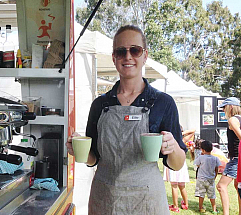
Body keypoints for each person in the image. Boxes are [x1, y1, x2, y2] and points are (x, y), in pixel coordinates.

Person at [66, 25, 187, 215]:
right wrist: (79, 150)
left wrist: (173, 147)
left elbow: (177, 164)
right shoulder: (100, 105)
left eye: (135, 50)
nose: (128, 57)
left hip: (147, 201)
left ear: (145, 55)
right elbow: (93, 159)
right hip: (105, 198)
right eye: (121, 51)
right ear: (114, 58)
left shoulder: (163, 103)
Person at [216, 97, 241, 215]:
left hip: (236, 159)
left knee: (221, 186)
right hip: (237, 158)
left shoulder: (232, 120)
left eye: (224, 107)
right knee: (238, 187)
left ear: (231, 107)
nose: (223, 110)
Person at [163, 127, 191, 213]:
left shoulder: (170, 139)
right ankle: (186, 204)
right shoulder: (182, 140)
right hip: (182, 164)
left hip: (172, 162)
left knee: (174, 186)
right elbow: (192, 131)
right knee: (182, 186)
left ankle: (175, 206)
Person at [194, 140, 221, 213]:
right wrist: (214, 177)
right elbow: (217, 169)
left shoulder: (201, 157)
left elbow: (196, 164)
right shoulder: (215, 158)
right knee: (212, 195)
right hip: (210, 180)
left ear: (202, 150)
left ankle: (200, 207)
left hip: (201, 179)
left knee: (201, 194)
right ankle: (214, 209)